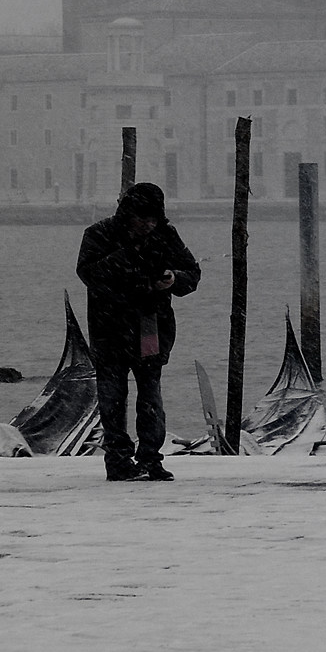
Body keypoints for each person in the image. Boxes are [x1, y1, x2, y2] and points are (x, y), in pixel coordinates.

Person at [75, 181, 201, 482]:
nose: (148, 225)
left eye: (153, 219)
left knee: (150, 394)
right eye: (142, 218)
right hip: (109, 328)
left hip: (149, 326)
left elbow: (192, 274)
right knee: (112, 397)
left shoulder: (165, 235)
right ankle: (118, 460)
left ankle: (150, 459)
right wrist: (130, 262)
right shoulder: (98, 234)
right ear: (127, 214)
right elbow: (90, 274)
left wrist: (172, 278)